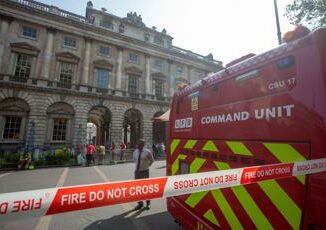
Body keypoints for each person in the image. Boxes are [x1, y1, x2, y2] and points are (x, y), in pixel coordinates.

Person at [133, 139, 154, 210]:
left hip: (145, 172)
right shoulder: (135, 152)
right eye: (137, 144)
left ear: (143, 145)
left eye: (140, 144)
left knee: (146, 188)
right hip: (137, 172)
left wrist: (147, 166)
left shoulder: (147, 152)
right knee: (137, 189)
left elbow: (152, 160)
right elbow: (135, 160)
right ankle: (140, 203)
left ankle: (148, 203)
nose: (138, 146)